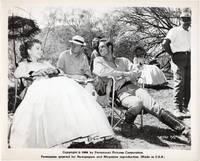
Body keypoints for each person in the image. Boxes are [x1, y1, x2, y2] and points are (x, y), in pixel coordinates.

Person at [9, 39, 113, 148]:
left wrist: (54, 71)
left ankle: (83, 129)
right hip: (39, 85)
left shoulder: (45, 63)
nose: (41, 51)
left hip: (55, 83)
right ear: (29, 51)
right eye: (37, 49)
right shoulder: (24, 63)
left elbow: (60, 71)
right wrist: (34, 73)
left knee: (72, 90)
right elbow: (17, 73)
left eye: (41, 48)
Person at [93, 39, 190, 141]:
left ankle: (185, 130)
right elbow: (102, 72)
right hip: (118, 92)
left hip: (133, 87)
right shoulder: (99, 60)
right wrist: (125, 74)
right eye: (99, 48)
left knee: (154, 106)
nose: (100, 49)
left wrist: (124, 79)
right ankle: (127, 125)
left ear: (110, 47)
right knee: (137, 103)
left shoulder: (123, 60)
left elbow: (137, 72)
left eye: (102, 47)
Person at [162, 9, 191, 117]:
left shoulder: (191, 32)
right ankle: (176, 108)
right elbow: (165, 43)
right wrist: (172, 54)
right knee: (179, 82)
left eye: (188, 19)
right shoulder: (174, 30)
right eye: (184, 19)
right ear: (180, 19)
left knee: (188, 83)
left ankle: (185, 107)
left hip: (190, 57)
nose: (186, 21)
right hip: (178, 57)